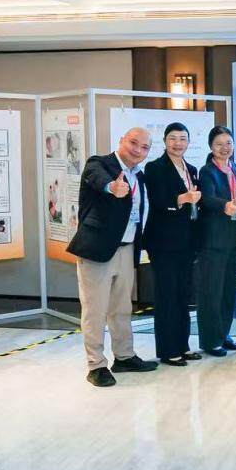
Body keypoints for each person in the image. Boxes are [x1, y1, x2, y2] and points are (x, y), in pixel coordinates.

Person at [67, 127, 158, 387]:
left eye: (144, 147)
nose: (138, 150)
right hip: (98, 250)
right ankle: (96, 364)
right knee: (95, 310)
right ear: (121, 141)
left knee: (122, 308)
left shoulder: (138, 175)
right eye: (133, 143)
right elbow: (97, 179)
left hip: (127, 249)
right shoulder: (99, 164)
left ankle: (125, 356)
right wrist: (111, 187)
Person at [142, 122, 202, 367]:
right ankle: (168, 350)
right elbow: (158, 200)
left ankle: (183, 346)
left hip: (186, 242)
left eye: (183, 139)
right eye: (173, 138)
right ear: (165, 141)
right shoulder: (154, 167)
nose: (178, 143)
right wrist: (183, 198)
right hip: (163, 242)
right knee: (167, 296)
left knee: (182, 296)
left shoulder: (192, 169)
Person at [196, 126, 236, 357]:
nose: (225, 148)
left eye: (228, 143)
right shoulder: (207, 171)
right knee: (211, 291)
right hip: (213, 239)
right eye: (219, 144)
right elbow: (206, 198)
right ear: (210, 147)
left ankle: (224, 335)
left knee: (228, 291)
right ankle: (210, 341)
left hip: (233, 237)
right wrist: (225, 205)